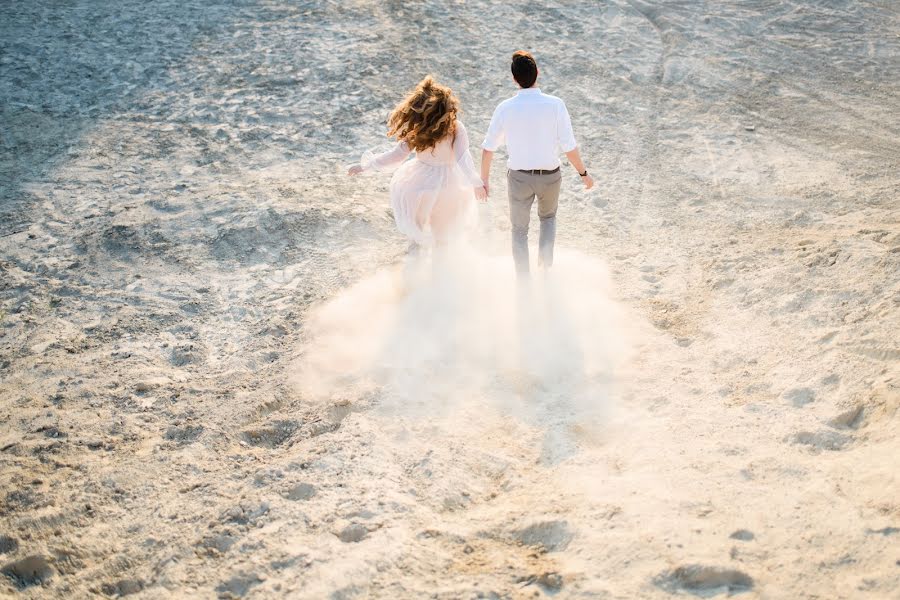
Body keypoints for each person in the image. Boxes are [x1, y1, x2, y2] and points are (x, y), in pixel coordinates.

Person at [481, 51, 594, 275]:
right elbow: (568, 146)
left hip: (519, 178)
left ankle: (523, 281)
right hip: (550, 176)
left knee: (519, 231)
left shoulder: (505, 107)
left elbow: (488, 149)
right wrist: (584, 174)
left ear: (514, 79)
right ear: (537, 74)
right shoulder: (556, 105)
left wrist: (484, 180)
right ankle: (545, 271)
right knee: (548, 219)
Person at [348, 76, 487, 249]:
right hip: (451, 185)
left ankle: (413, 266)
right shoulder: (456, 127)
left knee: (416, 231)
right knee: (442, 236)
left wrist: (365, 166)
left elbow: (396, 155)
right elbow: (462, 157)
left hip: (421, 184)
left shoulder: (418, 129)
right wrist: (476, 183)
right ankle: (441, 270)